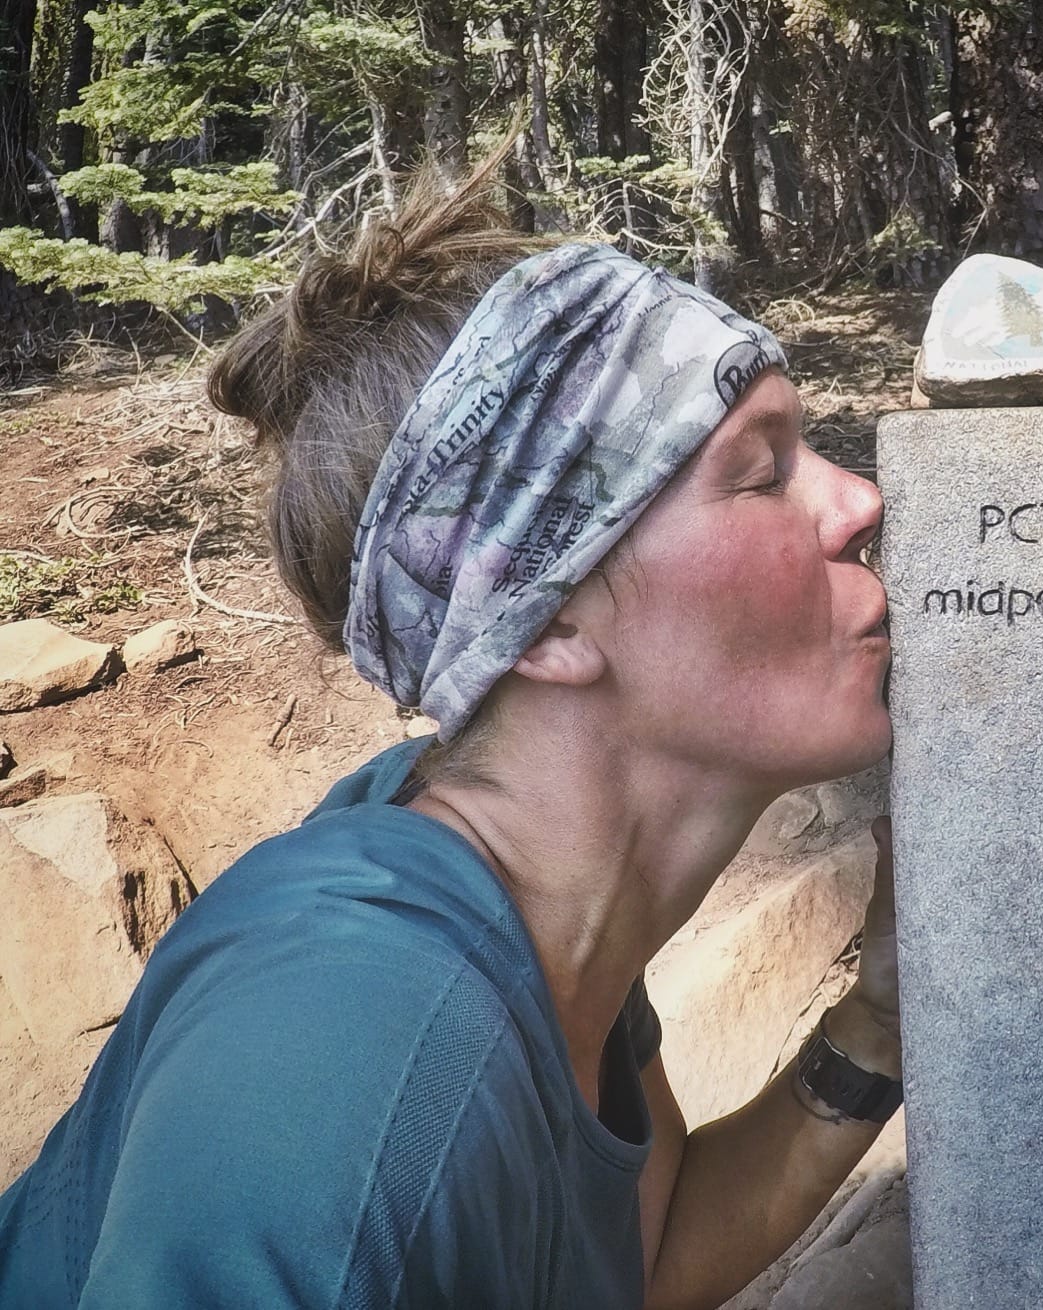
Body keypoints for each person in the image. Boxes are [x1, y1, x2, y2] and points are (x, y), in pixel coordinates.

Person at [0, 151, 902, 1310]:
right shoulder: (348, 1044)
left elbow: (643, 1246)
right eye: (761, 470)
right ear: (549, 616)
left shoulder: (539, 910)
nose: (856, 499)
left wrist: (877, 1021)